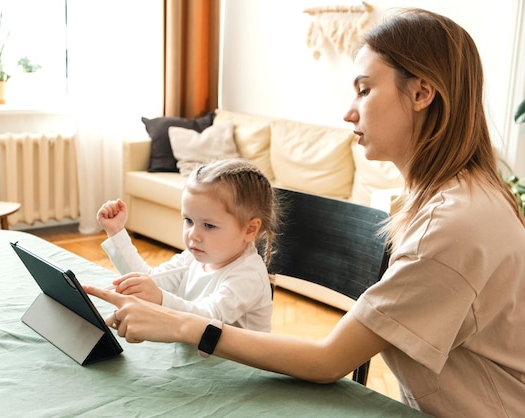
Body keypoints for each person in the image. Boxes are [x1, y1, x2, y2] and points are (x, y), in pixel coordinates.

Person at [84, 8, 525, 417]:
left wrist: (181, 325)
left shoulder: (452, 223)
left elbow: (328, 360)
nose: (349, 111)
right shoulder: (452, 197)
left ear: (422, 92)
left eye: (365, 89)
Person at [96, 158, 279, 332]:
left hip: (236, 364)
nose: (193, 234)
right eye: (189, 220)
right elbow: (148, 280)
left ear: (249, 230)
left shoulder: (249, 276)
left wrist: (160, 298)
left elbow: (207, 318)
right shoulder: (193, 257)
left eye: (208, 225)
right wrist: (117, 232)